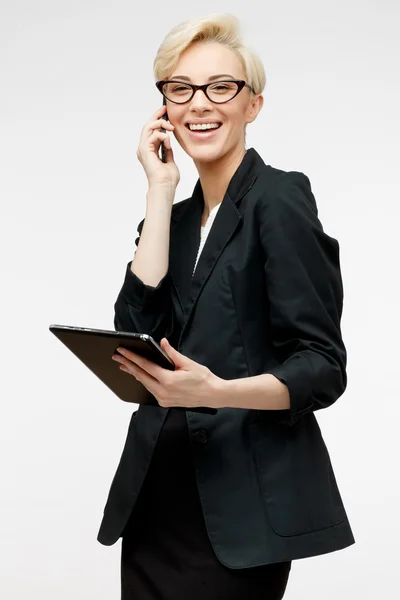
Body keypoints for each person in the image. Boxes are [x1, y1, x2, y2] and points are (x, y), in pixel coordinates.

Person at [98, 13, 355, 600]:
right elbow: (134, 334)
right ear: (164, 108)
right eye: (180, 89)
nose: (199, 105)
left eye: (221, 87)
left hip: (239, 509)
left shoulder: (279, 199)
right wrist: (159, 192)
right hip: (157, 495)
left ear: (253, 105)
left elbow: (321, 366)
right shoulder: (175, 220)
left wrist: (219, 393)